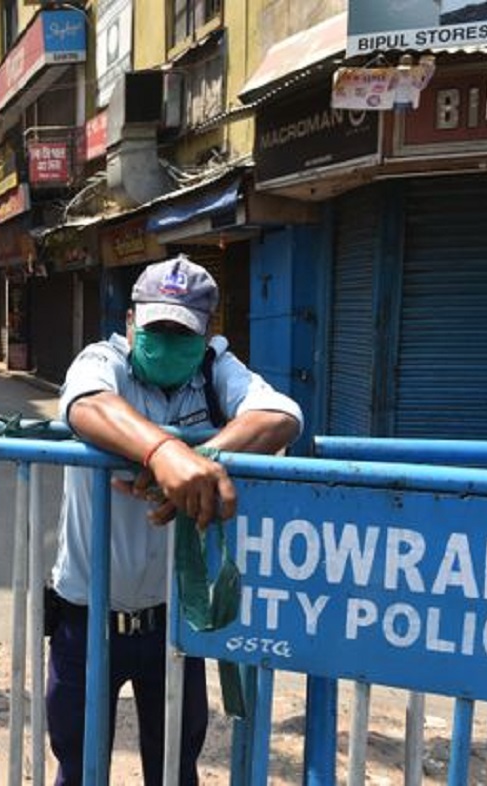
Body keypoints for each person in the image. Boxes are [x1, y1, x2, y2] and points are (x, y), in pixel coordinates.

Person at [45, 256, 302, 785]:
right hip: (84, 618)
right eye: (155, 328)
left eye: (181, 332)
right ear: (131, 323)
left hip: (173, 622)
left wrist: (201, 459)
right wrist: (164, 452)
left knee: (174, 769)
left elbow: (281, 415)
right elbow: (84, 404)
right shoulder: (102, 360)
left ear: (207, 334)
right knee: (77, 767)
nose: (166, 342)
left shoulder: (214, 370)